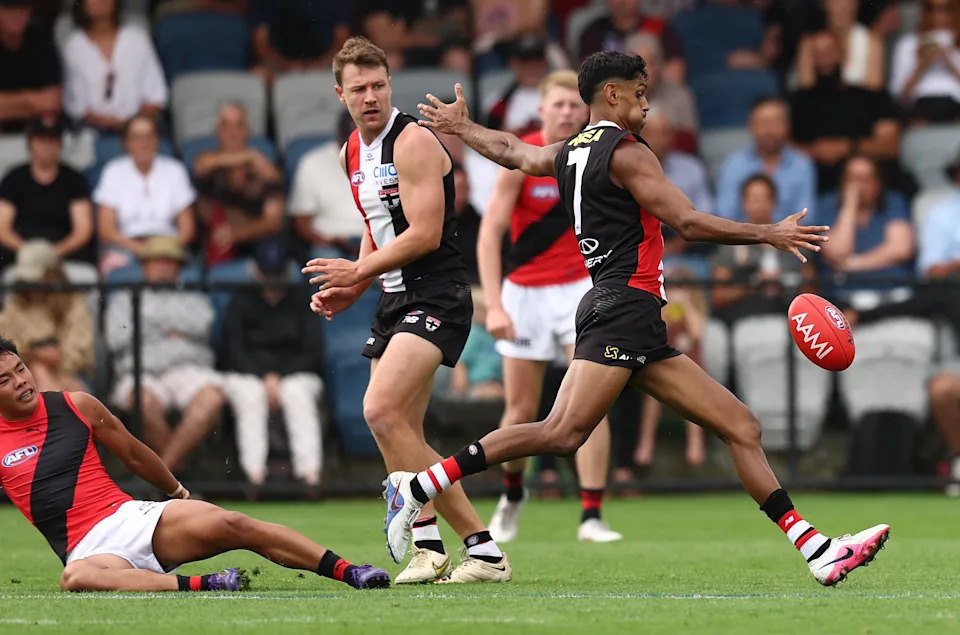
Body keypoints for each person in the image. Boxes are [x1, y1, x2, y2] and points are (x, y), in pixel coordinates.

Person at [383, 50, 890, 587]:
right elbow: (687, 222)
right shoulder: (626, 153)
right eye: (640, 92)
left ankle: (818, 551)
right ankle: (416, 488)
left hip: (629, 314)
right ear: (612, 95)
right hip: (622, 307)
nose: (647, 102)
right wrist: (770, 232)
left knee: (741, 426)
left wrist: (464, 128)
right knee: (560, 433)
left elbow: (513, 151)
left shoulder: (572, 150)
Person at [301, 37, 509, 584]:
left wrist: (357, 272)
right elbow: (378, 231)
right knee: (400, 432)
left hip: (437, 292)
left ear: (390, 84)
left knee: (381, 410)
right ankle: (450, 550)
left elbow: (424, 233)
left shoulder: (412, 141)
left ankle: (477, 550)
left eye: (378, 85)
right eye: (359, 88)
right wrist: (354, 282)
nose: (370, 96)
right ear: (340, 93)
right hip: (395, 297)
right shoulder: (351, 150)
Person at [0, 335, 390, 592]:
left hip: (130, 517)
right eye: (5, 379)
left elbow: (135, 454)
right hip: (89, 551)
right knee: (75, 578)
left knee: (234, 523)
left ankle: (350, 571)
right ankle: (208, 584)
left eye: (21, 368)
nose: (21, 380)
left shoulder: (75, 405)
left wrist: (178, 493)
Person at [477, 69, 622, 544]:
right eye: (556, 104)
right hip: (525, 293)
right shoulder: (523, 156)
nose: (565, 112)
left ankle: (591, 515)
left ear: (585, 110)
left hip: (581, 289)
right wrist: (495, 305)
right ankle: (514, 493)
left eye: (572, 105)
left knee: (589, 404)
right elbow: (490, 232)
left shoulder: (599, 154)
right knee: (520, 408)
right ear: (541, 110)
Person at [104, 236, 225, 472]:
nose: (163, 266)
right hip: (141, 371)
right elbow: (116, 339)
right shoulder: (123, 298)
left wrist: (145, 325)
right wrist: (173, 329)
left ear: (178, 267)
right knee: (142, 400)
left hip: (186, 369)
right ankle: (179, 479)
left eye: (169, 261)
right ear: (144, 266)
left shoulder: (194, 297)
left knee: (212, 397)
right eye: (156, 261)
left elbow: (202, 327)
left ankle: (165, 474)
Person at [220, 240, 324, 487]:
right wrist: (264, 376)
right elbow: (232, 351)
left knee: (297, 393)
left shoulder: (301, 300)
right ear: (255, 271)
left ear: (286, 270)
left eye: (276, 272)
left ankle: (310, 477)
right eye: (267, 272)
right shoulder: (241, 301)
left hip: (295, 374)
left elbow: (313, 351)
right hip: (248, 374)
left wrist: (279, 375)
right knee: (250, 395)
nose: (272, 279)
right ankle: (254, 478)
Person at [94, 114, 195, 276]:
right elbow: (106, 229)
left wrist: (163, 250)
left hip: (168, 246)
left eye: (150, 136)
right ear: (126, 143)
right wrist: (141, 249)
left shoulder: (175, 170)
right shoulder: (113, 171)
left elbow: (187, 229)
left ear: (158, 140)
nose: (144, 143)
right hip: (126, 246)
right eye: (137, 137)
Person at [192, 102, 284, 276]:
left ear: (247, 132)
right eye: (226, 125)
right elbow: (202, 165)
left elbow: (273, 221)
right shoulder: (207, 162)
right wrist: (250, 155)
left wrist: (237, 234)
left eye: (239, 125)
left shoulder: (265, 171)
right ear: (217, 132)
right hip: (210, 250)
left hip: (256, 249)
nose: (233, 132)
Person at [0, 117, 95, 270]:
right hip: (21, 253)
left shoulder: (74, 179)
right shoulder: (13, 179)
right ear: (29, 143)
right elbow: (2, 229)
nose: (46, 146)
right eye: (41, 140)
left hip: (65, 253)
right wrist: (28, 251)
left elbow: (82, 230)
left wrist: (54, 252)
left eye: (52, 140)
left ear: (60, 144)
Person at [0, 239, 93, 393]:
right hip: (23, 373)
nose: (30, 282)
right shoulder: (14, 305)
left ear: (52, 274)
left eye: (36, 276)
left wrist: (59, 368)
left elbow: (80, 347)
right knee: (39, 372)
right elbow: (6, 345)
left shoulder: (73, 301)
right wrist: (35, 357)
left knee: (68, 387)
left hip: (72, 373)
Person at [63, 0, 167, 133]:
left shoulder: (137, 39)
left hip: (139, 128)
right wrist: (105, 122)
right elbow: (75, 104)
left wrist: (130, 123)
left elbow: (156, 96)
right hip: (91, 131)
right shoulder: (74, 46)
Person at [715, 97, 817, 224]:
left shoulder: (802, 165)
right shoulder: (733, 165)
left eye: (776, 122)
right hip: (741, 240)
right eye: (763, 123)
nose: (769, 130)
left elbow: (805, 217)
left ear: (788, 126)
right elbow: (724, 215)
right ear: (751, 126)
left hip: (789, 241)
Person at [290, 110, 366, 260]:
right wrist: (327, 242)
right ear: (338, 134)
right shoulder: (312, 162)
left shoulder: (389, 158)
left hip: (378, 245)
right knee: (326, 264)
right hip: (330, 246)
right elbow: (301, 222)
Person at [889, 0, 960, 124]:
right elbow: (899, 97)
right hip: (919, 107)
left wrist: (949, 63)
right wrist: (922, 66)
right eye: (930, 8)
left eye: (944, 8)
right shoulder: (907, 44)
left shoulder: (956, 45)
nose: (937, 14)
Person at [0, 0, 61, 132]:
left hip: (37, 132)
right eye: (10, 9)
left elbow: (52, 102)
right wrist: (32, 101)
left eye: (22, 8)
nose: (17, 14)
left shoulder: (41, 40)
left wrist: (7, 103)